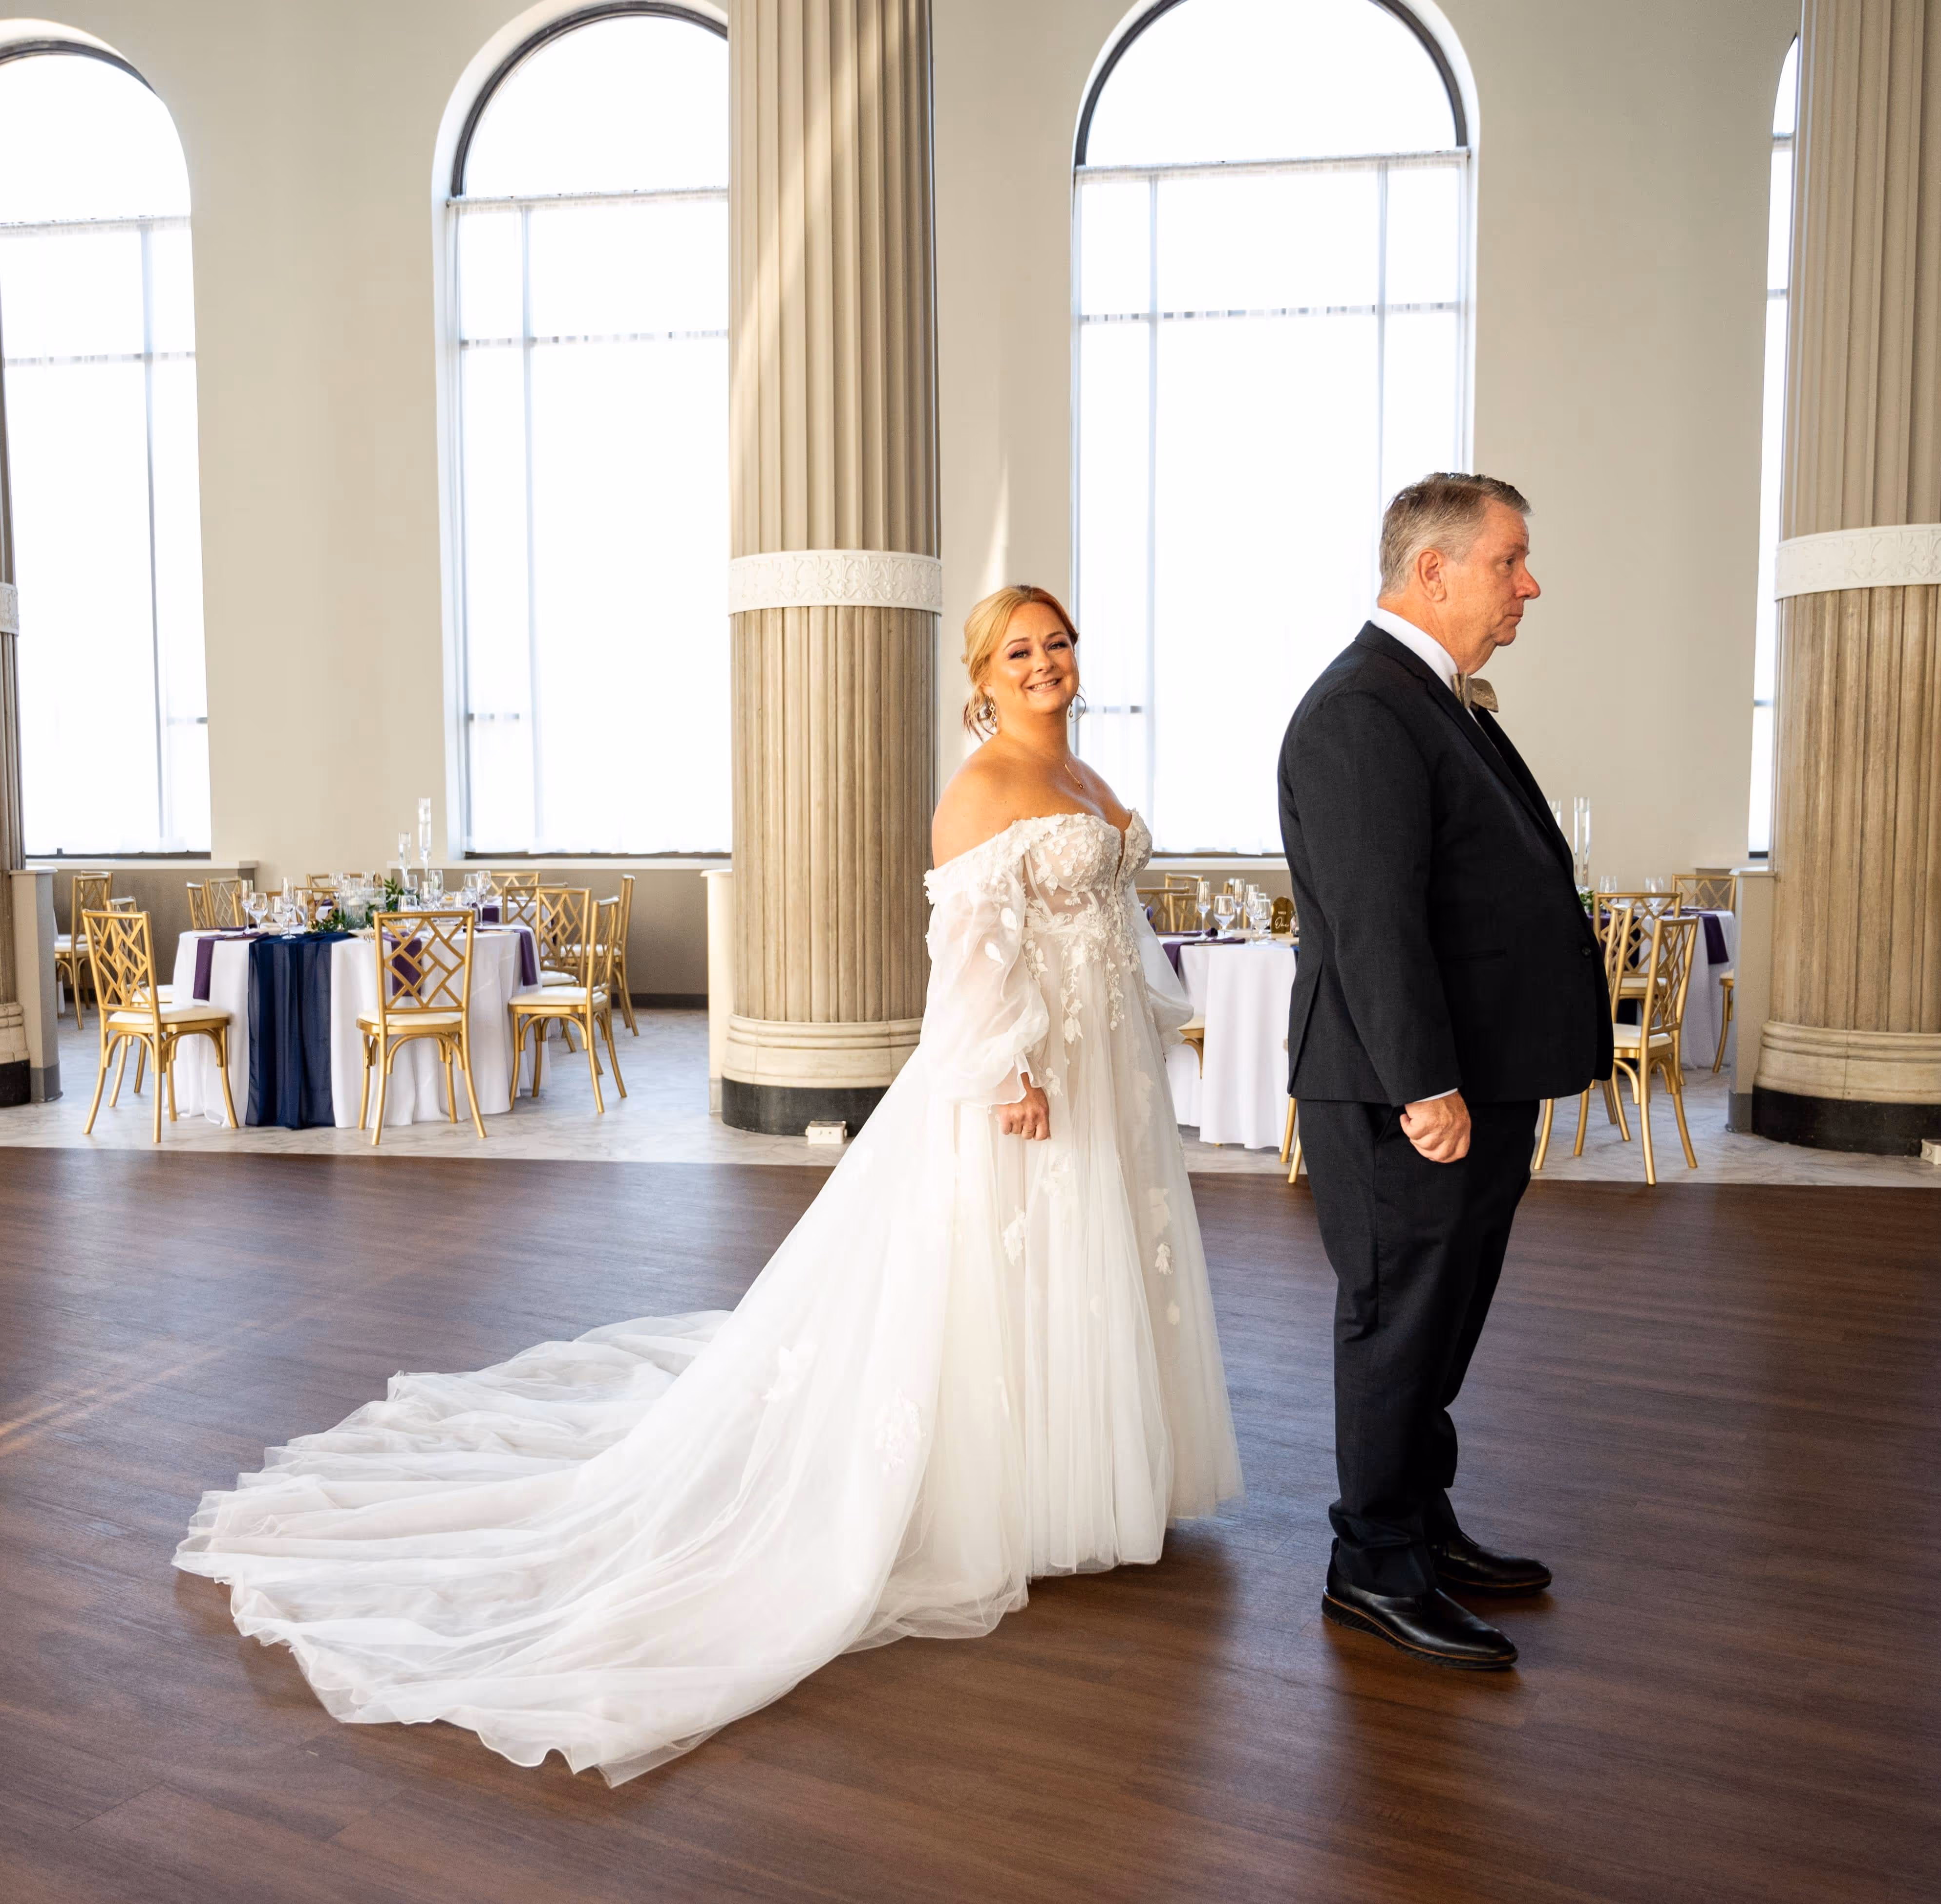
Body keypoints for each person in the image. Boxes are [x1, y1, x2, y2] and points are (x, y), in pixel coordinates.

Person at [177, 585, 1240, 1781]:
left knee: (1087, 1258)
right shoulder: (981, 789)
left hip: (1104, 1067)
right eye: (1018, 650)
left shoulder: (1087, 776)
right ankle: (1021, 1492)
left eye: (1056, 644)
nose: (1045, 662)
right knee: (1015, 1260)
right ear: (981, 677)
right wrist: (1009, 1071)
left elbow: (1106, 912)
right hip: (1032, 1071)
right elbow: (972, 956)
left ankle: (1083, 1475)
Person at [1277, 474, 1608, 1669]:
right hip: (1401, 1093)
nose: (1529, 583)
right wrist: (1426, 1085)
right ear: (1434, 570)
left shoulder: (1433, 700)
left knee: (1445, 1320)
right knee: (1398, 1321)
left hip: (1472, 1077)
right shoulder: (1366, 709)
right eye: (1510, 560)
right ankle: (1370, 1562)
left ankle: (1421, 1521)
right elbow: (1376, 925)